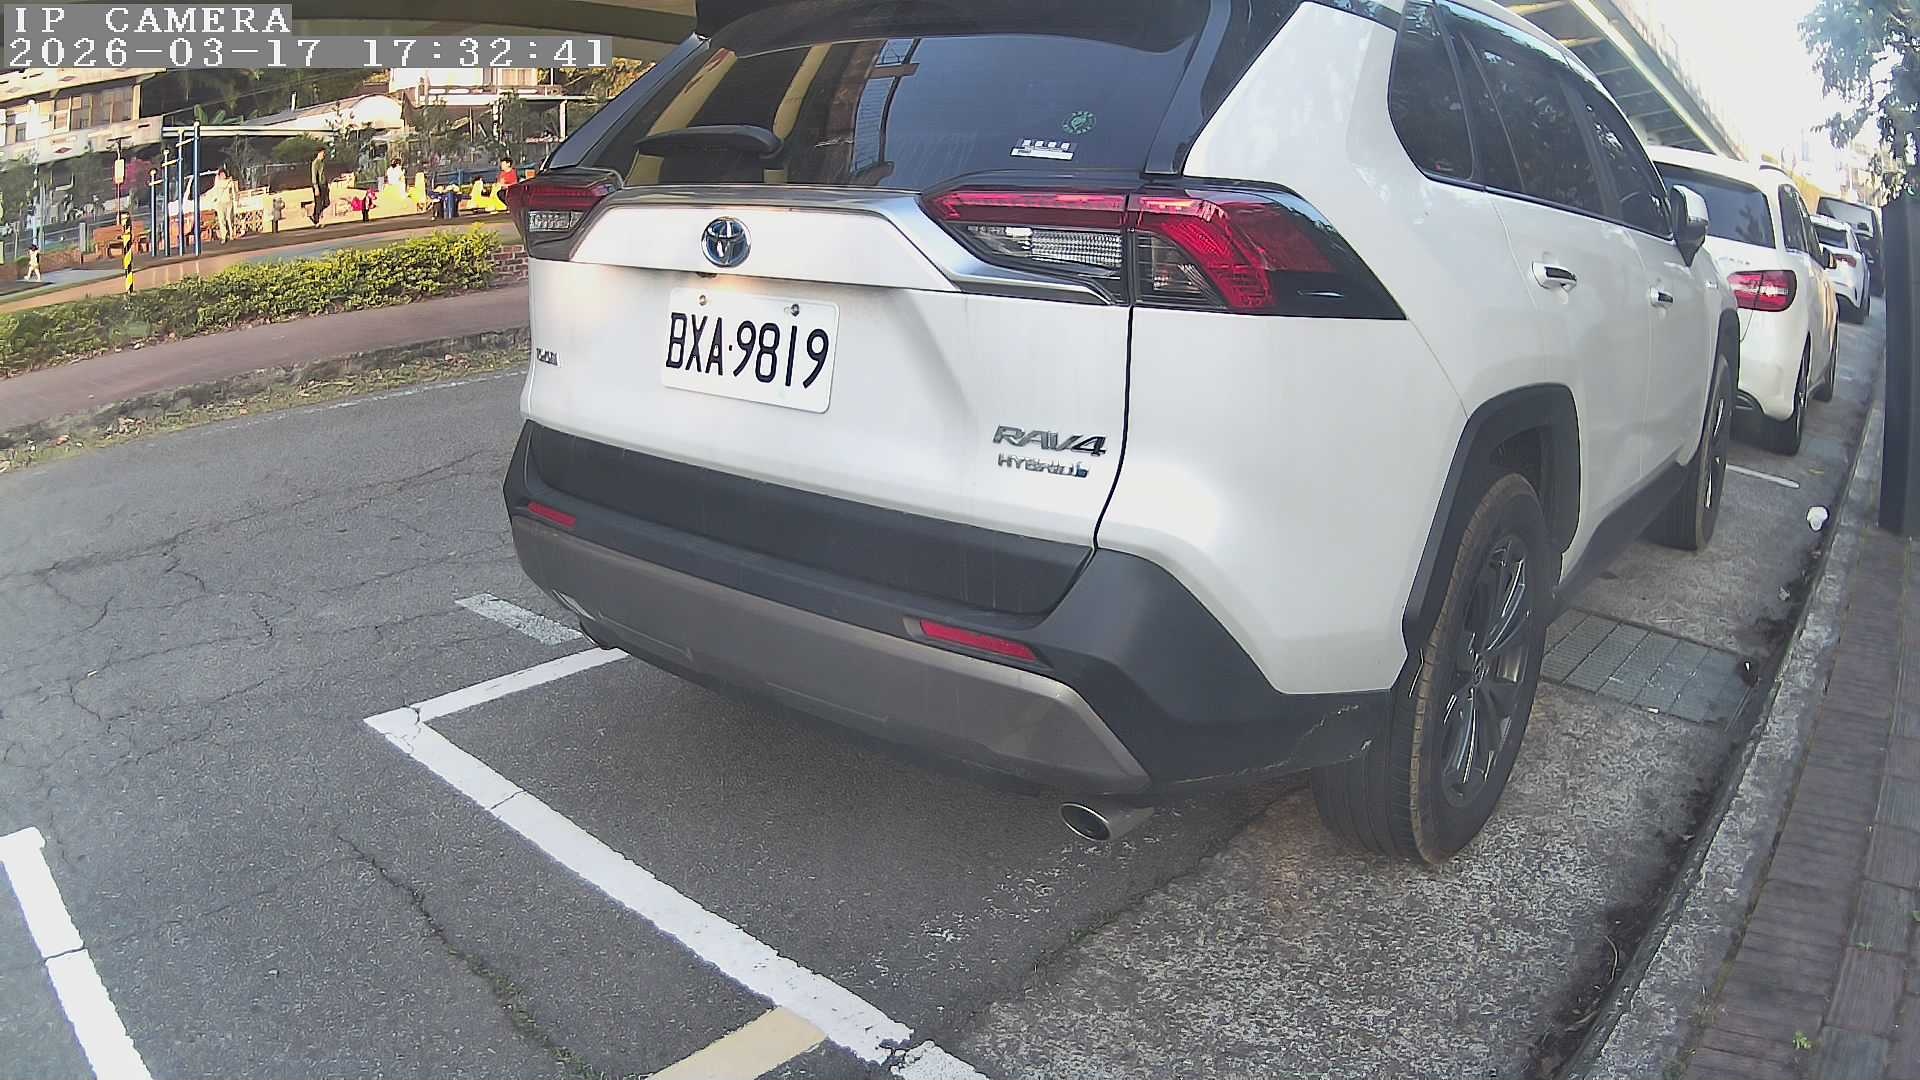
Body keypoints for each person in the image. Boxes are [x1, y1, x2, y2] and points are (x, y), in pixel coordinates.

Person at [309, 147, 330, 226]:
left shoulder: (322, 162)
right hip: (318, 185)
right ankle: (316, 220)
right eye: (323, 153)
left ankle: (315, 215)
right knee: (319, 203)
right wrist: (316, 187)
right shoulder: (315, 163)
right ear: (319, 153)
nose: (324, 155)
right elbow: (314, 176)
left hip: (324, 184)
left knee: (326, 202)